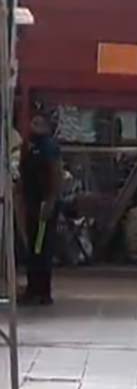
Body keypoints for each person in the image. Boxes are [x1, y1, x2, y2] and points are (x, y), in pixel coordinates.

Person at [16, 112, 60, 306]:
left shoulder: (48, 146)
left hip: (44, 203)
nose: (34, 126)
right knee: (32, 247)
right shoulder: (28, 146)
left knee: (42, 247)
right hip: (31, 202)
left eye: (38, 123)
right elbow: (22, 172)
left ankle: (43, 291)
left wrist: (50, 200)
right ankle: (33, 287)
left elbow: (55, 172)